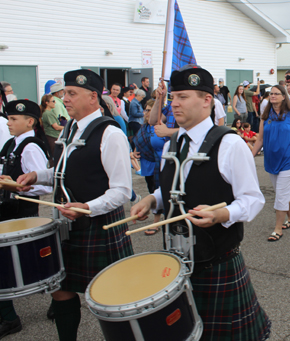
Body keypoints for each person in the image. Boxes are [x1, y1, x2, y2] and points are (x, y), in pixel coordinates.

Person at [130, 65, 271, 340]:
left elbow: (253, 200)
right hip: (176, 260)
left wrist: (222, 214)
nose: (174, 103)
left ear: (207, 100)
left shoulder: (230, 144)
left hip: (216, 262)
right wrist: (152, 199)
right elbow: (174, 188)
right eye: (173, 97)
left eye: (183, 96)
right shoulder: (173, 142)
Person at [16, 69, 133, 340]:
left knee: (111, 292)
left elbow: (122, 191)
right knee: (61, 287)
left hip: (99, 225)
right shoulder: (69, 127)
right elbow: (61, 171)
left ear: (93, 97)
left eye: (71, 93)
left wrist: (88, 207)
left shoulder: (110, 133)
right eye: (64, 93)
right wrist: (37, 175)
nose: (64, 99)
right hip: (66, 224)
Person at [0, 99, 52, 339]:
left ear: (29, 121)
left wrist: (22, 188)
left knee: (35, 267)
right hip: (8, 212)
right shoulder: (11, 143)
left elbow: (43, 186)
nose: (8, 123)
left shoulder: (30, 146)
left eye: (13, 119)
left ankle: (10, 318)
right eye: (9, 119)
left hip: (22, 214)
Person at [251, 85, 290, 241]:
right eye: (271, 94)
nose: (272, 96)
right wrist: (250, 156)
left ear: (283, 96)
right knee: (282, 191)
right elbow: (259, 139)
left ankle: (278, 229)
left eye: (276, 94)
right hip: (271, 159)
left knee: (281, 193)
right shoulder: (265, 115)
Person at [133, 99, 166, 235]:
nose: (145, 113)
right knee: (151, 190)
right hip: (147, 164)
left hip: (158, 164)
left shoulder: (160, 126)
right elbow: (138, 140)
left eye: (148, 110)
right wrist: (134, 150)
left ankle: (156, 222)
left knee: (157, 190)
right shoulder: (144, 126)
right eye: (145, 110)